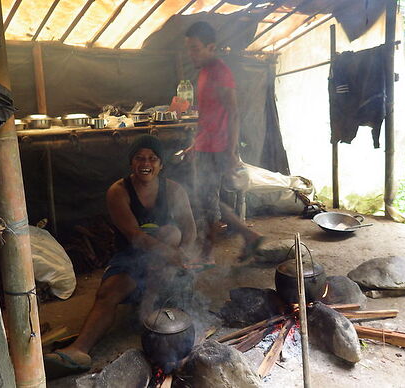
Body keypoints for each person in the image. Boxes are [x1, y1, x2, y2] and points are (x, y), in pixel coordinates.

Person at [43, 135, 197, 377]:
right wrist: (170, 255)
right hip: (132, 255)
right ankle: (78, 350)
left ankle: (150, 303)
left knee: (172, 232)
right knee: (108, 293)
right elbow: (135, 236)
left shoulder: (175, 190)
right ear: (131, 163)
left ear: (161, 164)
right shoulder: (119, 191)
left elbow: (189, 229)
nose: (146, 163)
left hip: (166, 260)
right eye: (139, 158)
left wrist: (182, 255)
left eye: (152, 158)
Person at [184, 21, 263, 264]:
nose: (191, 54)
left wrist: (231, 150)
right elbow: (207, 116)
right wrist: (194, 144)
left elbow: (234, 112)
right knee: (208, 200)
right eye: (189, 48)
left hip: (218, 149)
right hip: (205, 146)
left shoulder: (220, 73)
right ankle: (248, 235)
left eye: (196, 48)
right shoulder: (204, 72)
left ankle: (207, 254)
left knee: (207, 202)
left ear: (211, 47)